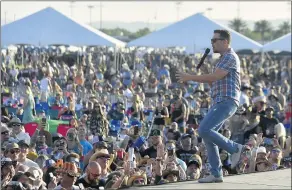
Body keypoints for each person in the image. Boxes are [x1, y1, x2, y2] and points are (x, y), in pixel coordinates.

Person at [176, 29, 249, 183]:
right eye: (211, 40)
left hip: (226, 100)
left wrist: (190, 77)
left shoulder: (229, 56)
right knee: (208, 136)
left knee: (203, 129)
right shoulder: (222, 59)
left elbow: (216, 76)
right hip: (220, 100)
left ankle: (236, 148)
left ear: (225, 42)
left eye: (214, 40)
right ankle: (216, 173)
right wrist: (202, 74)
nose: (212, 43)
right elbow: (213, 81)